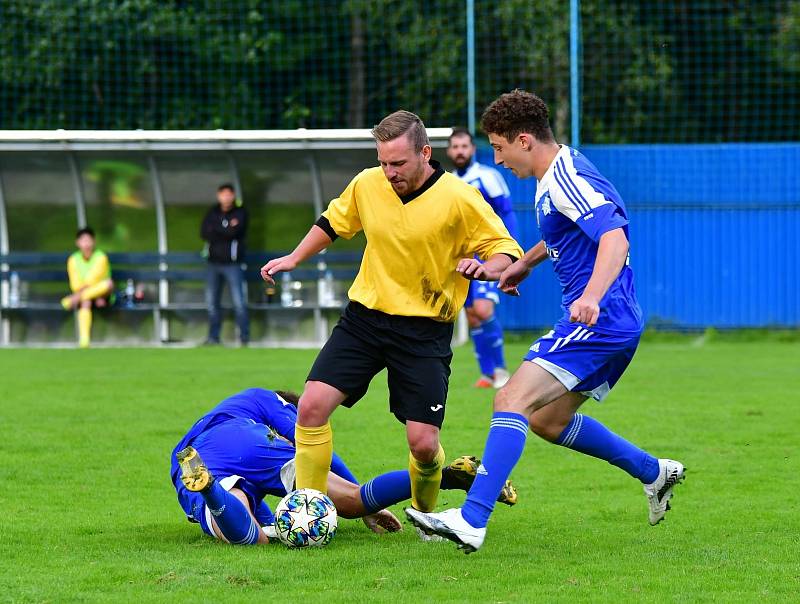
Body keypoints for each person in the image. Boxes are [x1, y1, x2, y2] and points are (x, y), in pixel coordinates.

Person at [406, 90, 686, 553]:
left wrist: (592, 298)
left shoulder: (565, 179)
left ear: (523, 140)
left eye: (498, 147)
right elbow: (561, 232)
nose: (496, 159)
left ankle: (473, 519)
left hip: (601, 318)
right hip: (614, 321)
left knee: (510, 398)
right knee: (549, 421)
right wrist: (521, 265)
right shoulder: (557, 174)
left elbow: (614, 239)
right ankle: (654, 472)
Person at [260, 110, 523, 516]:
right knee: (310, 407)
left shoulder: (459, 197)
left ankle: (424, 513)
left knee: (423, 443)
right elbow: (333, 222)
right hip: (365, 319)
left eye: (398, 163)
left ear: (424, 152)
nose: (389, 172)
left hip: (424, 330)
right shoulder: (368, 183)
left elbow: (505, 248)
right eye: (383, 162)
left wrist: (489, 267)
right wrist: (295, 257)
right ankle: (308, 510)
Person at [171, 387, 518, 545]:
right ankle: (450, 479)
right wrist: (362, 505)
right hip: (246, 443)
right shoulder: (268, 400)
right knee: (347, 498)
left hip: (190, 458)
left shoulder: (227, 410)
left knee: (255, 535)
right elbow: (311, 444)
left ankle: (212, 489)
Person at [447, 127, 520, 389]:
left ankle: (501, 370)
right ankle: (488, 374)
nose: (460, 151)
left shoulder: (488, 177)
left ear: (473, 149)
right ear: (449, 151)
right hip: (461, 258)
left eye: (464, 146)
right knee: (472, 315)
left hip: (487, 254)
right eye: (455, 147)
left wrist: (511, 253)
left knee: (483, 309)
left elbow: (507, 213)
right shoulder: (448, 183)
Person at [200, 183, 249, 346]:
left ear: (233, 195)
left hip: (233, 264)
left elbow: (235, 232)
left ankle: (243, 338)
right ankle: (213, 338)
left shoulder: (240, 212)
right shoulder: (212, 212)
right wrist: (224, 229)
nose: (226, 197)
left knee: (239, 302)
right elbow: (204, 232)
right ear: (218, 195)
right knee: (212, 302)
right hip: (213, 264)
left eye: (229, 194)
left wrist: (216, 229)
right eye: (223, 194)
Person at [60, 226, 114, 348]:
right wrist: (82, 292)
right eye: (83, 241)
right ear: (77, 243)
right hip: (87, 295)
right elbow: (75, 284)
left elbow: (93, 279)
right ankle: (84, 339)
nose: (86, 244)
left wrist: (75, 297)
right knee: (86, 301)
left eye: (89, 240)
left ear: (94, 241)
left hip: (102, 294)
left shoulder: (101, 257)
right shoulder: (73, 259)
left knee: (108, 284)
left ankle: (72, 300)